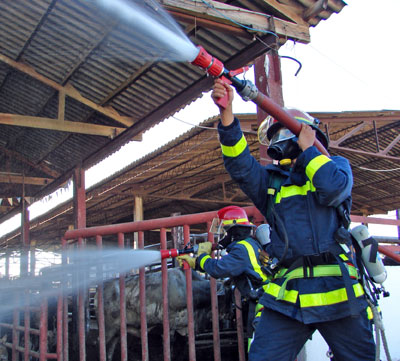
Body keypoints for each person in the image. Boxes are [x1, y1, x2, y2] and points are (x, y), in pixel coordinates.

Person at [210, 78, 376, 361]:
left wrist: (310, 151)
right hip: (288, 295)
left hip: (338, 292)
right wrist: (227, 116)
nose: (277, 143)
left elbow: (333, 188)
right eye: (274, 137)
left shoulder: (335, 166)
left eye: (283, 133)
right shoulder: (271, 182)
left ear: (304, 133)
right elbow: (239, 165)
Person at [177, 205, 270, 351]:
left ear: (233, 231)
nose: (224, 236)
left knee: (260, 350)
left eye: (226, 231)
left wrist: (202, 255)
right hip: (263, 300)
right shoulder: (248, 244)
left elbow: (218, 269)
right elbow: (225, 265)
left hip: (263, 303)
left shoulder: (241, 249)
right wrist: (195, 263)